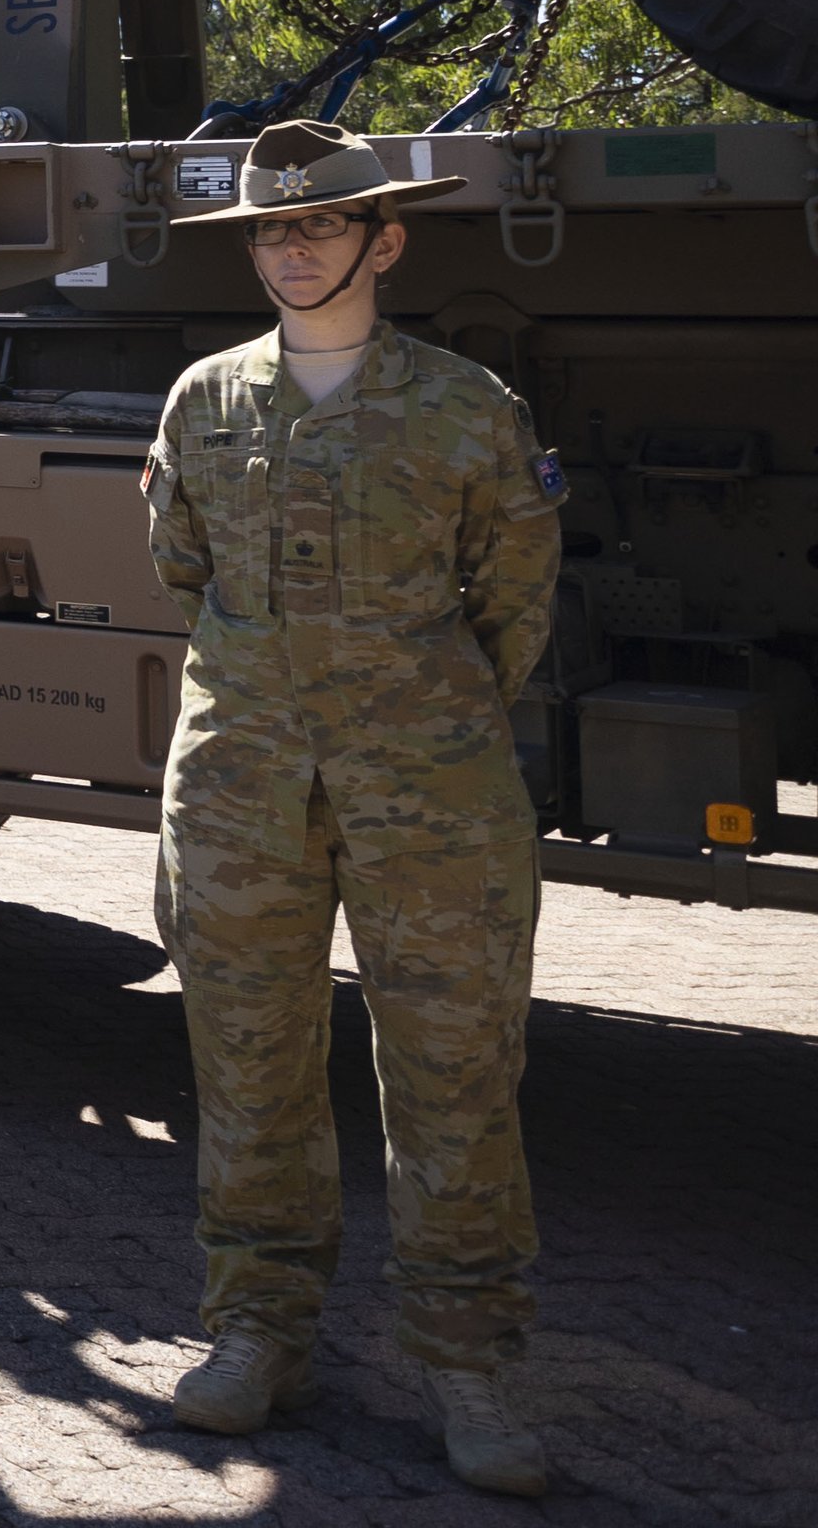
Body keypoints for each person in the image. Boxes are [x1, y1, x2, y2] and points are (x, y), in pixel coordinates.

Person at [144, 118, 559, 1497]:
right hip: (241, 786)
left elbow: (514, 599)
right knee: (246, 1063)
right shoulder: (204, 399)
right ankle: (257, 1329)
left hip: (430, 793)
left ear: (384, 242)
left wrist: (409, 707)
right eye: (271, 229)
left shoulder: (465, 406)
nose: (291, 248)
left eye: (319, 224)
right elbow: (180, 565)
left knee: (455, 1073)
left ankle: (468, 1359)